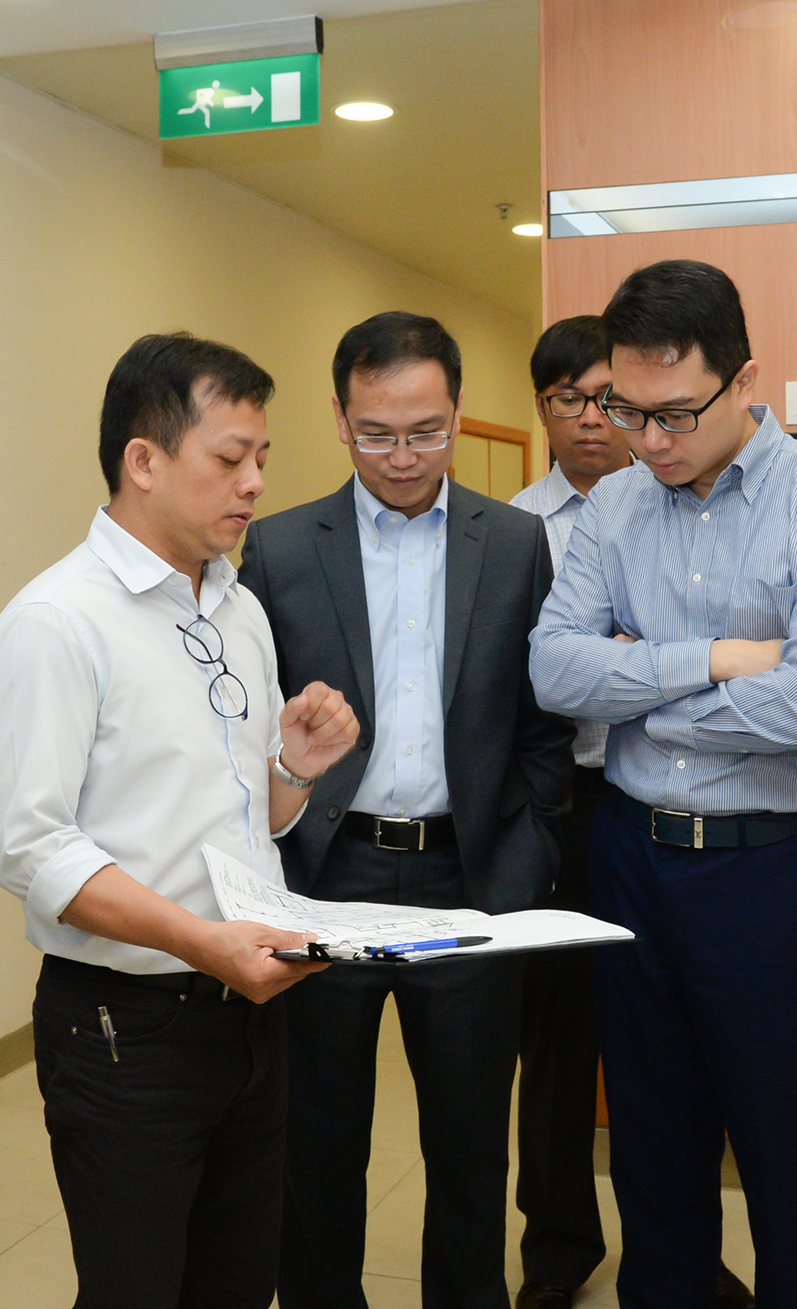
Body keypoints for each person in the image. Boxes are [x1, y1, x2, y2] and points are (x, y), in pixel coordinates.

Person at [530, 260, 797, 1309]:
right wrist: (722, 659)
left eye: (677, 413)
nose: (650, 440)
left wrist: (636, 687)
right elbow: (555, 674)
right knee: (651, 1151)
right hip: (631, 860)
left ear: (745, 380)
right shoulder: (613, 508)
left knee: (788, 1156)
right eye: (626, 410)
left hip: (770, 874)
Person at [0, 333, 358, 1309]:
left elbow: (244, 818)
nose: (255, 483)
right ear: (143, 461)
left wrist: (293, 767)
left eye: (261, 458)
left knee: (238, 1283)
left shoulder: (237, 609)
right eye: (230, 458)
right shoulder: (58, 621)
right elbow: (33, 850)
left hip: (250, 1015)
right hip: (126, 1027)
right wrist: (202, 943)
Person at [237, 311, 574, 1309]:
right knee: (316, 1144)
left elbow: (543, 724)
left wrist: (524, 861)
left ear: (459, 415)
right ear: (341, 420)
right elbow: (245, 729)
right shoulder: (281, 548)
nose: (402, 456)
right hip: (326, 878)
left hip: (467, 880)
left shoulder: (513, 542)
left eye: (426, 431)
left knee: (469, 1149)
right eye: (377, 433)